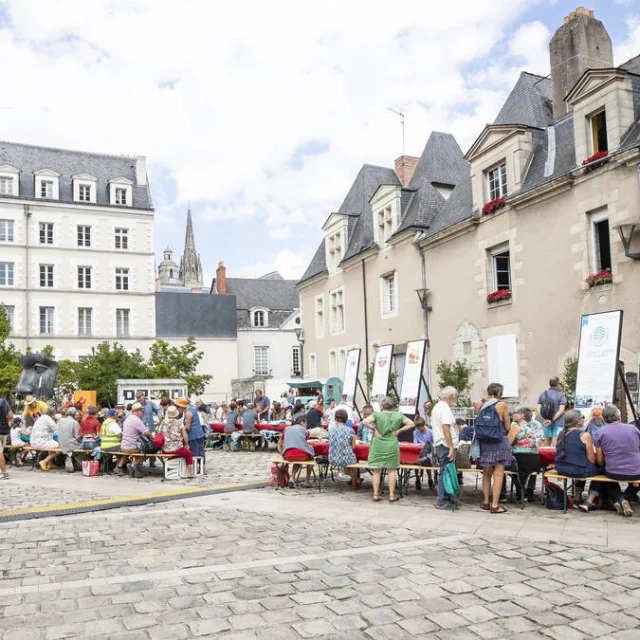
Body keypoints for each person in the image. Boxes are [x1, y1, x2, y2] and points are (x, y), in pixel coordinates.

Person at [362, 396, 415, 503]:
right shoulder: (398, 415)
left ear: (382, 406)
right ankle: (391, 495)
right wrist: (398, 431)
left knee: (377, 471)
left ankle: (376, 494)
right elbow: (411, 423)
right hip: (392, 444)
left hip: (378, 444)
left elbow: (365, 422)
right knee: (391, 470)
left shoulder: (377, 414)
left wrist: (374, 429)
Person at [474, 383, 514, 514]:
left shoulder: (478, 405)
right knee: (498, 474)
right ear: (499, 393)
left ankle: (486, 502)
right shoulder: (501, 405)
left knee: (486, 473)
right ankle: (495, 505)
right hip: (498, 441)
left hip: (484, 443)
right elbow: (508, 427)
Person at [594, 405, 640, 517]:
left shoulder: (600, 432)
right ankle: (626, 498)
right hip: (636, 471)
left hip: (613, 471)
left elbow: (599, 460)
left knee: (604, 476)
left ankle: (620, 498)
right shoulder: (634, 429)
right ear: (619, 417)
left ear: (604, 419)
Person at [555, 409, 603, 512]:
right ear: (578, 421)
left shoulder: (561, 434)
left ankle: (577, 498)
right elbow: (591, 459)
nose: (584, 419)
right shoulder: (585, 435)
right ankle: (589, 501)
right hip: (577, 470)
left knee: (581, 466)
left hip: (561, 468)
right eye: (583, 417)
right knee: (600, 471)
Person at [430, 387, 460, 510]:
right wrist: (451, 447)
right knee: (446, 472)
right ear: (451, 396)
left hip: (441, 443)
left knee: (445, 472)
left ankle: (445, 498)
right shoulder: (445, 409)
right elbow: (446, 428)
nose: (456, 399)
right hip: (445, 444)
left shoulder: (438, 407)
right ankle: (442, 500)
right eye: (456, 396)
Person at [509, 406, 541, 500]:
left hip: (521, 460)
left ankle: (519, 492)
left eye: (515, 413)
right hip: (535, 460)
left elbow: (507, 444)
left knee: (500, 467)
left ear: (521, 416)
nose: (513, 414)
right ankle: (523, 492)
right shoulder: (531, 429)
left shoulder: (516, 427)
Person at [278, 415, 315, 488]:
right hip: (301, 455)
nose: (306, 425)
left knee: (296, 458)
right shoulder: (305, 431)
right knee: (310, 459)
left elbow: (279, 444)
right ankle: (307, 481)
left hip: (287, 455)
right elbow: (303, 443)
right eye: (306, 423)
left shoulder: (286, 429)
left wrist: (282, 454)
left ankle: (292, 477)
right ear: (302, 422)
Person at [114, 402, 150, 477]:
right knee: (148, 452)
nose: (143, 413)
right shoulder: (137, 420)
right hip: (133, 447)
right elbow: (146, 433)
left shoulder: (128, 418)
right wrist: (153, 437)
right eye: (142, 411)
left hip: (124, 446)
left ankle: (119, 467)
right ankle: (134, 464)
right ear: (138, 412)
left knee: (127, 452)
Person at [158, 406, 194, 478]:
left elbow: (159, 434)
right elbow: (185, 435)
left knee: (178, 454)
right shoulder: (179, 423)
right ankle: (190, 473)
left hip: (165, 449)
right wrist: (186, 444)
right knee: (189, 454)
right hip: (177, 448)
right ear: (176, 414)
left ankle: (172, 469)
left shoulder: (163, 423)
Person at [328, 409, 360, 489]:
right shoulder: (350, 430)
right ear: (346, 419)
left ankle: (355, 478)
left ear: (335, 419)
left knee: (346, 458)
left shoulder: (331, 431)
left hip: (332, 458)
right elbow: (353, 447)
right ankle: (354, 483)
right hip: (346, 459)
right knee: (352, 459)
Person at [536, 377, 566, 446]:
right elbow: (561, 411)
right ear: (557, 385)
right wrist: (551, 420)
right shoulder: (561, 395)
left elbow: (538, 409)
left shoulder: (543, 394)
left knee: (546, 442)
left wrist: (544, 419)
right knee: (556, 443)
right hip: (558, 422)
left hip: (545, 422)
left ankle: (544, 457)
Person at [175, 397, 206, 463]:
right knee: (201, 451)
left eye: (177, 407)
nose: (177, 409)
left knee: (194, 453)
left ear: (181, 406)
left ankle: (194, 468)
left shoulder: (188, 413)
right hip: (200, 433)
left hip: (193, 435)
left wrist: (181, 428)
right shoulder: (193, 409)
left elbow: (188, 427)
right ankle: (203, 467)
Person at [57, 407, 81, 472]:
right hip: (71, 445)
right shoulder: (75, 422)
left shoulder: (60, 421)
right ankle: (73, 459)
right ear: (74, 414)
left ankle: (69, 457)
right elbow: (78, 437)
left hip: (61, 444)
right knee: (84, 447)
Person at [0, 396, 14, 479]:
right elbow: (11, 416)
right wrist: (6, 427)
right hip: (4, 432)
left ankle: (4, 473)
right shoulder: (4, 402)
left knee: (0, 453)